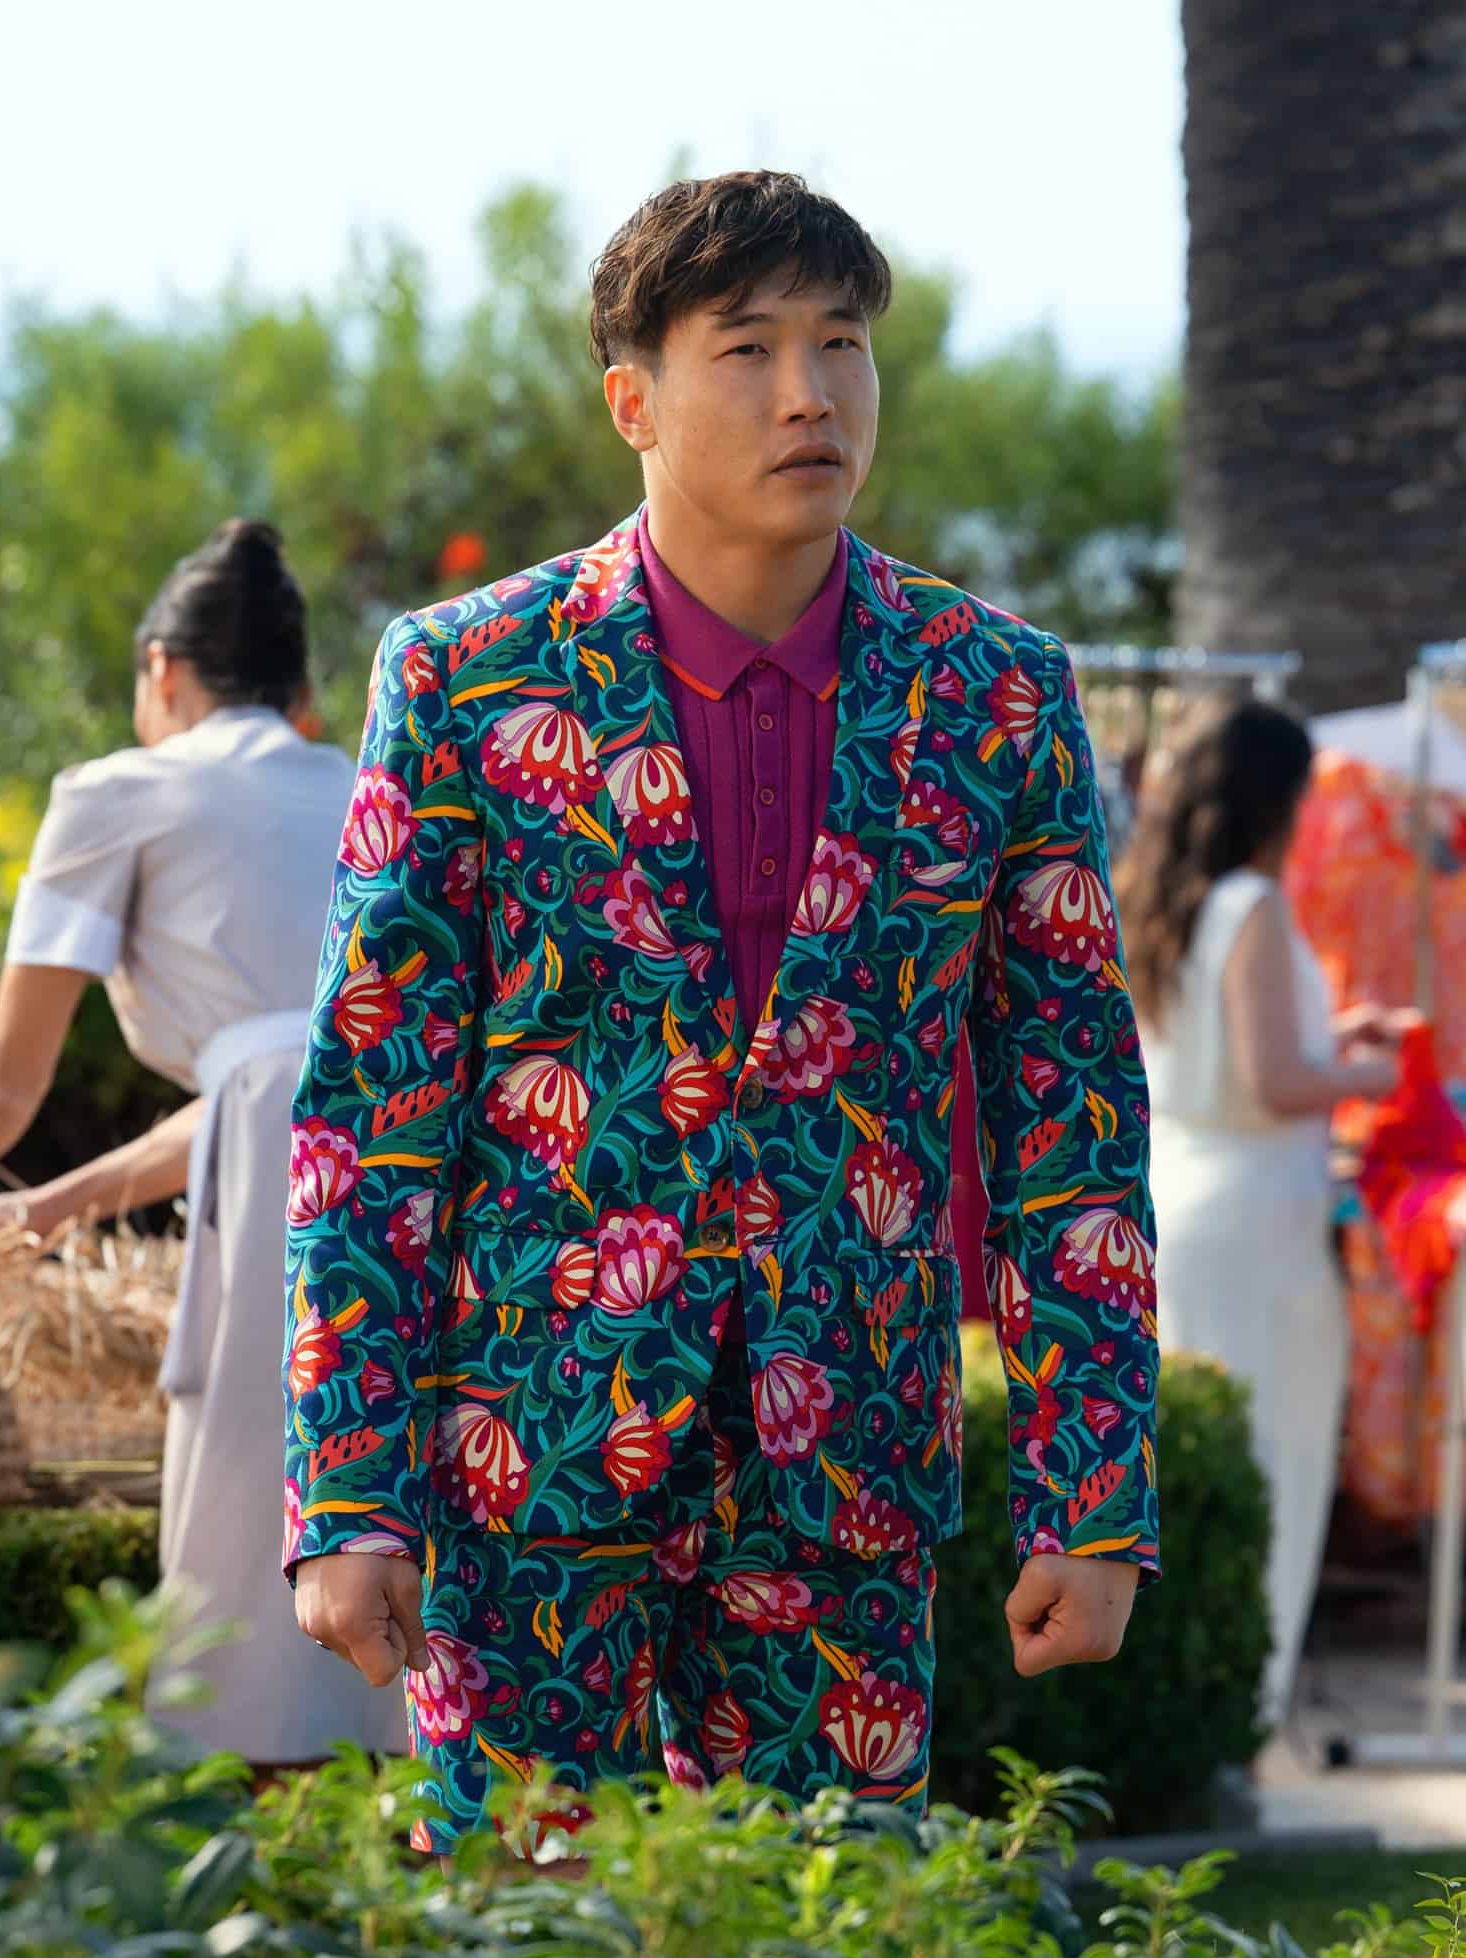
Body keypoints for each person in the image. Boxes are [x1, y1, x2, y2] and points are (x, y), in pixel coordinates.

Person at [285, 171, 1161, 1850]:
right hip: (532, 1462)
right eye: (746, 347)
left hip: (844, 1481)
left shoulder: (995, 695)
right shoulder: (471, 681)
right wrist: (346, 1485)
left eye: (840, 345)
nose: (807, 393)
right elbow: (365, 1116)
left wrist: (1093, 1487)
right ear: (633, 399)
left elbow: (1072, 1122)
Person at [0, 519, 405, 1765]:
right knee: (402, 1514)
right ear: (304, 695)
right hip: (422, 1146)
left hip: (282, 1164)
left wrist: (13, 1181)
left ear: (162, 672)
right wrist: (49, 1208)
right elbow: (275, 1070)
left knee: (249, 1537)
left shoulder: (116, 791)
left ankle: (257, 1878)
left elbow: (6, 1081)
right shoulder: (362, 783)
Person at [1118, 694, 1410, 1724]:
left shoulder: (1167, 902)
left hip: (1183, 1197)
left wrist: (1336, 1044)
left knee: (1192, 1468)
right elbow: (1277, 1077)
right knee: (1270, 1464)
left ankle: (1189, 1709)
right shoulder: (1252, 903)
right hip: (1256, 1219)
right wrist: (1371, 1071)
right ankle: (1240, 1714)